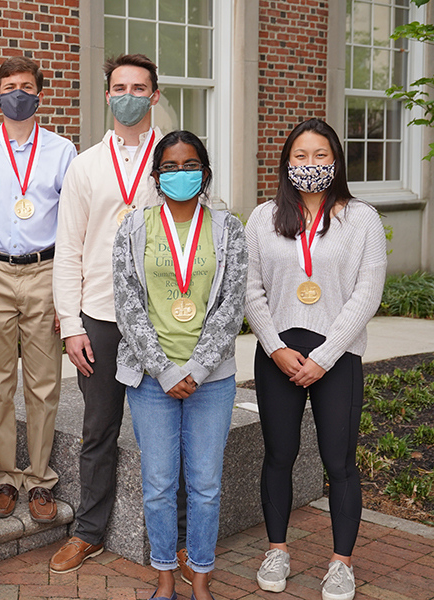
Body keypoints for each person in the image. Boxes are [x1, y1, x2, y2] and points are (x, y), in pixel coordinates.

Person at [246, 118, 386, 600]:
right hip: (278, 355)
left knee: (339, 461)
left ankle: (341, 562)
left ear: (336, 161)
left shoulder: (361, 218)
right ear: (287, 162)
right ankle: (277, 549)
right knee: (279, 455)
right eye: (301, 156)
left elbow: (367, 294)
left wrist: (324, 357)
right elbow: (251, 290)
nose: (310, 165)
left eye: (321, 156)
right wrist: (276, 347)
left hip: (338, 356)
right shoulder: (263, 218)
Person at [52, 53, 175, 574]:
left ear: (155, 94)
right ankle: (90, 531)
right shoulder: (85, 165)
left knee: (166, 430)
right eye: (118, 86)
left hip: (163, 317)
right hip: (100, 316)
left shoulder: (176, 158)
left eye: (138, 86)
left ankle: (180, 539)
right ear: (107, 94)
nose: (128, 94)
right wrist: (71, 325)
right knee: (98, 429)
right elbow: (69, 250)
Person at [113, 131, 247, 600]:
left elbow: (232, 306)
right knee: (159, 484)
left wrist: (197, 368)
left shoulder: (230, 229)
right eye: (169, 167)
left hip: (213, 379)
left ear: (205, 174)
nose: (180, 173)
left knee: (207, 485)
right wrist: (165, 369)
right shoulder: (133, 227)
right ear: (156, 176)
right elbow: (126, 303)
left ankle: (203, 577)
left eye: (190, 165)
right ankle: (166, 576)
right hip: (151, 379)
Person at [0, 56, 77, 525]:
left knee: (44, 383)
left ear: (39, 94)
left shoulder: (63, 151)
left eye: (26, 86)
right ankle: (5, 476)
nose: (17, 93)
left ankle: (41, 479)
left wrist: (68, 295)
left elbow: (70, 226)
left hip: (45, 271)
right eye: (9, 86)